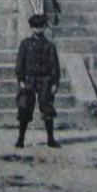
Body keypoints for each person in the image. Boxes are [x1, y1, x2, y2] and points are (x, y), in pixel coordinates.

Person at [15, 13, 62, 149]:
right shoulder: (25, 44)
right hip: (29, 79)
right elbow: (20, 63)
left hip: (45, 80)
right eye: (36, 27)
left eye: (41, 27)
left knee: (47, 107)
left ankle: (50, 139)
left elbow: (55, 65)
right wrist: (21, 80)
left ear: (45, 28)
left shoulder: (50, 46)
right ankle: (21, 139)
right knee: (24, 107)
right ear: (31, 28)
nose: (39, 30)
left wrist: (55, 83)